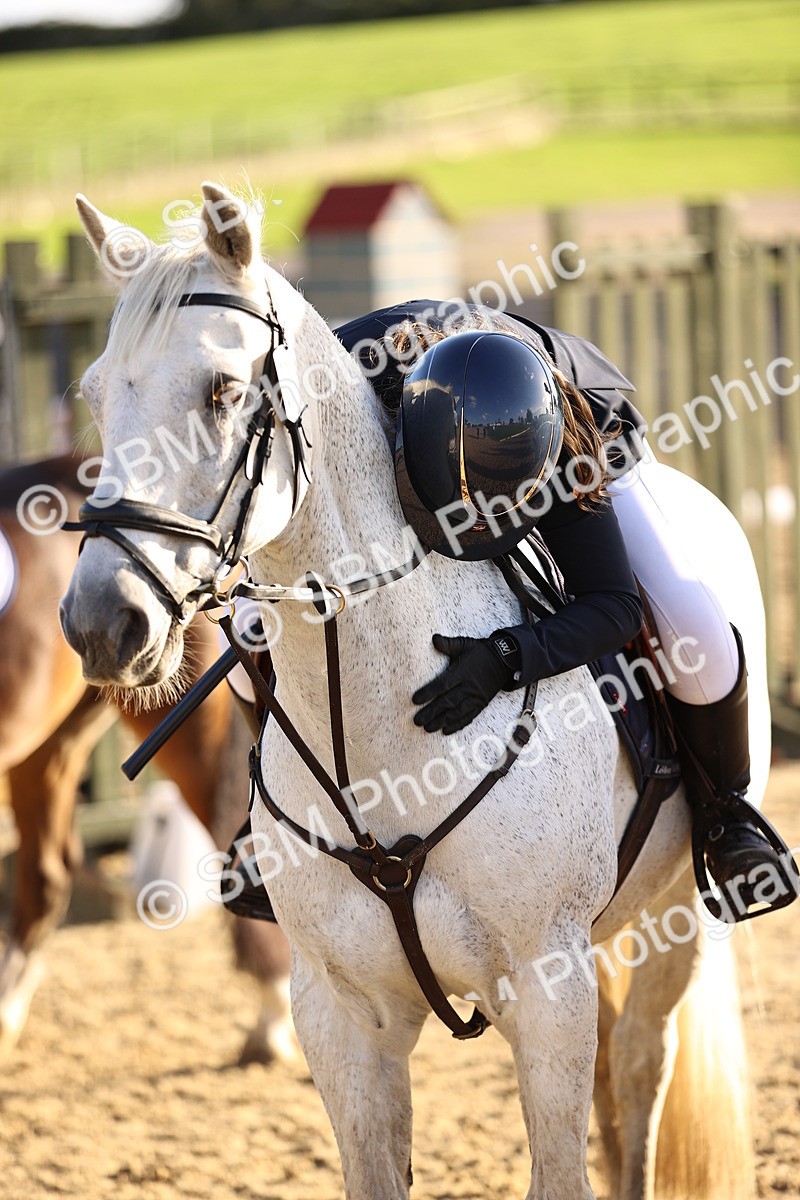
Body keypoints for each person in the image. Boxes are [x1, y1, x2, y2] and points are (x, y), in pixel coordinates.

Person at [331, 300, 798, 923]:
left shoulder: (560, 439)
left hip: (578, 422)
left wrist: (506, 657)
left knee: (695, 628)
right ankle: (260, 822)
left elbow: (614, 607)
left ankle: (725, 815)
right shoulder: (346, 408)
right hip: (409, 414)